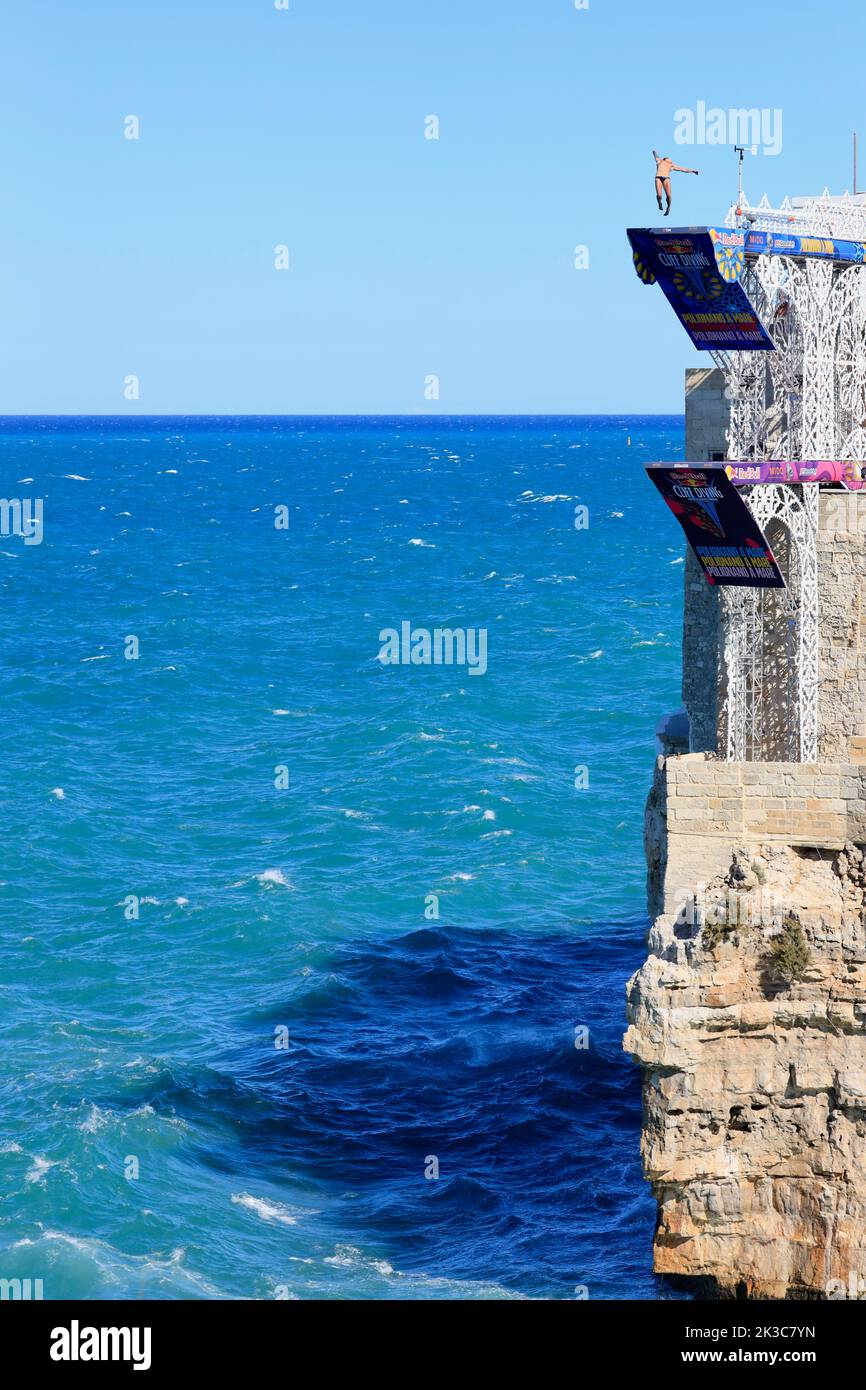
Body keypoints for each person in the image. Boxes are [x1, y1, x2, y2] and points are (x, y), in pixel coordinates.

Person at [653, 150, 699, 216]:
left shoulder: (671, 165)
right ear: (665, 159)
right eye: (669, 160)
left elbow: (683, 169)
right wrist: (654, 152)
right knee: (659, 195)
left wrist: (692, 171)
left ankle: (668, 208)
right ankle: (659, 203)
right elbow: (656, 156)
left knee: (669, 196)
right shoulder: (660, 161)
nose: (671, 161)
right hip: (658, 177)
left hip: (666, 178)